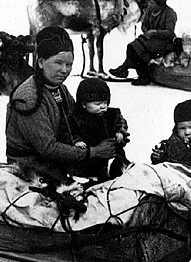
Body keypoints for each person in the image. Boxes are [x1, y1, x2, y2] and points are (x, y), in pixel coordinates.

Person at [6, 26, 116, 183]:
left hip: (53, 160)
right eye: (58, 63)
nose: (64, 70)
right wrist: (93, 152)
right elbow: (48, 148)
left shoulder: (60, 89)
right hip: (29, 166)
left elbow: (78, 117)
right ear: (41, 62)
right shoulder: (28, 97)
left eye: (69, 64)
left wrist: (113, 128)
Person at [109, 0, 178, 86]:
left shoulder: (170, 13)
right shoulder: (150, 9)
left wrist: (154, 32)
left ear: (160, 4)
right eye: (150, 2)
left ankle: (128, 70)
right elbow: (144, 24)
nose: (150, 5)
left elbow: (170, 33)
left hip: (164, 43)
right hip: (150, 40)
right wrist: (146, 31)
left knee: (138, 47)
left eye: (153, 3)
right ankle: (136, 73)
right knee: (132, 46)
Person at [69, 77, 130, 181]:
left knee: (119, 159)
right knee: (89, 167)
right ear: (84, 104)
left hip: (112, 151)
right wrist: (77, 141)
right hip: (91, 154)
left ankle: (119, 168)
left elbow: (121, 122)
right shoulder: (76, 118)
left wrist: (120, 131)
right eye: (97, 104)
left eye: (105, 103)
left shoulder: (112, 114)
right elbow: (70, 132)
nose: (103, 107)